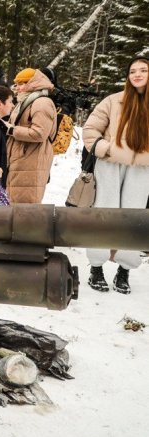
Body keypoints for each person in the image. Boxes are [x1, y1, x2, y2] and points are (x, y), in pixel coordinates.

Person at [82, 56, 149, 294]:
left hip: (141, 169)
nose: (138, 74)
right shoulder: (113, 101)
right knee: (104, 214)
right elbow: (90, 130)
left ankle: (125, 269)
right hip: (110, 166)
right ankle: (96, 267)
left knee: (133, 218)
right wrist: (105, 149)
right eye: (133, 71)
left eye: (143, 70)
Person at [5, 68, 57, 204]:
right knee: (14, 201)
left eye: (22, 84)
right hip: (22, 158)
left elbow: (40, 133)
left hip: (32, 159)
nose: (18, 88)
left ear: (33, 83)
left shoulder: (41, 103)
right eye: (17, 84)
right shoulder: (26, 100)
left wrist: (12, 130)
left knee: (26, 204)